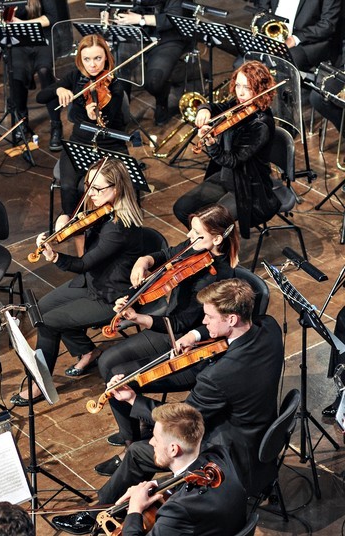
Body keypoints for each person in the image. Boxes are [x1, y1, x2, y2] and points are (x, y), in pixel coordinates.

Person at [96, 279, 282, 507]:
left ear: (232, 319)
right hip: (261, 436)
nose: (204, 321)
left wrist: (133, 399)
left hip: (229, 454)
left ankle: (99, 511)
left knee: (137, 452)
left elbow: (179, 419)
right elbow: (224, 332)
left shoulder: (217, 377)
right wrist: (196, 335)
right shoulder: (270, 328)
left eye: (209, 317)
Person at [94, 204, 238, 474]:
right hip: (168, 329)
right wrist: (144, 261)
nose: (190, 236)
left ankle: (132, 448)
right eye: (191, 230)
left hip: (188, 343)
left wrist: (136, 318)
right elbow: (167, 254)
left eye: (198, 233)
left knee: (118, 376)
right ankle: (138, 427)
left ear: (217, 239)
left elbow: (181, 323)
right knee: (106, 362)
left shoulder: (215, 277)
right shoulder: (196, 245)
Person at [10, 158, 144, 405]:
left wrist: (55, 256)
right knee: (40, 308)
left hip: (110, 295)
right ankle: (88, 351)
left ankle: (40, 384)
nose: (91, 194)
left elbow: (83, 264)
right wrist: (64, 219)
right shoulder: (103, 211)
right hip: (92, 282)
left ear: (116, 189)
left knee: (47, 322)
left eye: (98, 189)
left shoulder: (118, 228)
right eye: (88, 187)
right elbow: (82, 225)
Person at [53, 403, 247, 535]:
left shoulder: (177, 511)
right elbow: (186, 478)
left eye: (155, 437)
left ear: (173, 449)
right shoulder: (218, 455)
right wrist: (153, 484)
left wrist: (135, 510)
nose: (151, 442)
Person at [173, 60, 280, 239]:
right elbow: (217, 108)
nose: (241, 92)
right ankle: (211, 248)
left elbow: (233, 160)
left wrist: (211, 144)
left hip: (247, 186)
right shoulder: (238, 104)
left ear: (260, 88)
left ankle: (220, 255)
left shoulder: (261, 124)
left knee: (209, 226)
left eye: (247, 87)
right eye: (238, 85)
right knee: (182, 208)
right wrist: (204, 109)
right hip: (226, 178)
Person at [37, 34, 129, 216]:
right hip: (79, 143)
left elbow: (109, 119)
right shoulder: (75, 77)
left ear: (106, 58)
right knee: (69, 186)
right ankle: (75, 227)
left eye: (98, 58)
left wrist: (94, 116)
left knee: (101, 188)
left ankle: (103, 227)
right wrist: (59, 88)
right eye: (87, 59)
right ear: (80, 59)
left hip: (109, 146)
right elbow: (41, 97)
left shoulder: (115, 86)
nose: (92, 65)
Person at [0, 0, 69, 150]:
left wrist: (23, 24)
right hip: (18, 39)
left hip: (43, 35)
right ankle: (21, 121)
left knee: (44, 70)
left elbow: (52, 17)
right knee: (16, 73)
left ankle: (56, 124)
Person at [112, 1, 192, 126]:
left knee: (154, 82)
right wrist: (105, 12)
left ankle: (161, 100)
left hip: (168, 37)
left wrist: (140, 19)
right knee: (121, 73)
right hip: (136, 32)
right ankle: (121, 113)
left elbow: (175, 18)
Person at [256, 0, 341, 72]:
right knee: (250, 54)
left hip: (309, 41)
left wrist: (295, 39)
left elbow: (327, 25)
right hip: (275, 34)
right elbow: (262, 9)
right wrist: (266, 30)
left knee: (286, 61)